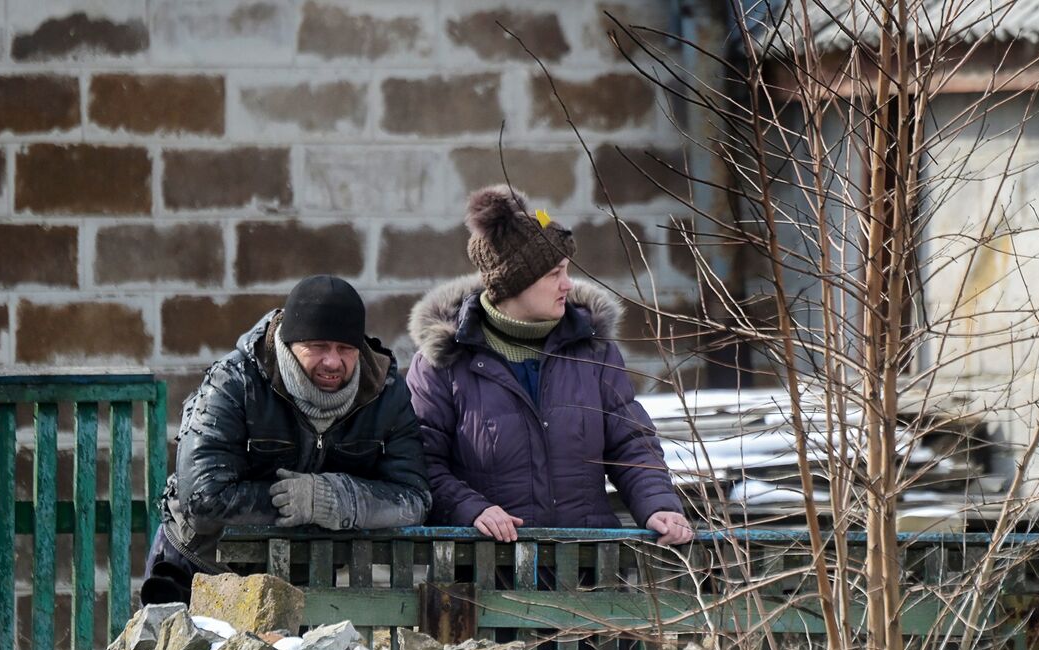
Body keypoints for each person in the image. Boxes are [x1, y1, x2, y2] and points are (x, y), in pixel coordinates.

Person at [405, 185, 692, 546]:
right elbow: (421, 461)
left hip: (586, 572)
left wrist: (658, 505)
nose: (567, 284)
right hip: (490, 571)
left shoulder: (593, 351)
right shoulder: (443, 363)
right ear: (514, 282)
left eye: (566, 270)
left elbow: (631, 443)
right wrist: (471, 509)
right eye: (554, 273)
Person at [143, 275, 431, 602]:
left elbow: (414, 499)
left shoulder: (386, 395)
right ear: (290, 344)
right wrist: (290, 500)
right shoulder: (234, 382)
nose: (333, 362)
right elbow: (202, 500)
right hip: (201, 567)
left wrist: (334, 499)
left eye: (346, 349)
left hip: (300, 580)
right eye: (318, 347)